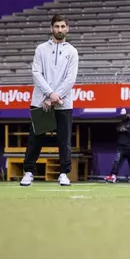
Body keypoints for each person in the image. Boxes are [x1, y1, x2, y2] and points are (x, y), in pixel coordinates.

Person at [20, 14, 79, 187]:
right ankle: (29, 172)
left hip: (63, 103)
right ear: (51, 28)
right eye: (56, 26)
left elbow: (71, 79)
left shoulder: (72, 52)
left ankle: (63, 174)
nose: (59, 30)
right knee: (36, 138)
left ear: (67, 28)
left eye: (62, 26)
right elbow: (36, 74)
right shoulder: (41, 49)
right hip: (41, 101)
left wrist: (54, 97)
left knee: (64, 140)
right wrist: (48, 95)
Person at [104, 108, 130, 184]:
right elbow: (118, 130)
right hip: (121, 146)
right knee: (117, 162)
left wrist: (126, 130)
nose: (123, 116)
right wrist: (120, 129)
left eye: (124, 115)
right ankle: (113, 176)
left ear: (128, 114)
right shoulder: (122, 122)